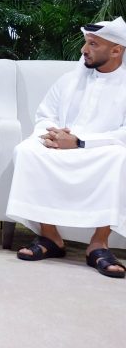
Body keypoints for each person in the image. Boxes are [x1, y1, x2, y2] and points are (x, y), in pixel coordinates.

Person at [7, 18, 126, 279]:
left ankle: (99, 243)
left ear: (116, 50)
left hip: (103, 150)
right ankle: (50, 237)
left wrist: (81, 142)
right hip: (60, 144)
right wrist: (54, 136)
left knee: (120, 158)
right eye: (86, 42)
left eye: (93, 44)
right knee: (27, 151)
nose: (84, 50)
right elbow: (45, 114)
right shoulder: (70, 80)